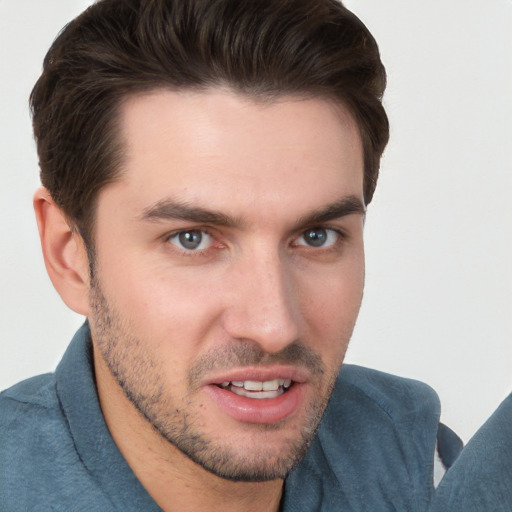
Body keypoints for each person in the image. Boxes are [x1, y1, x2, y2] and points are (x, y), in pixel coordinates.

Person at [0, 1, 461, 510]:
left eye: (317, 236)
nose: (273, 326)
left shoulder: (420, 465)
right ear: (69, 255)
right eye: (192, 239)